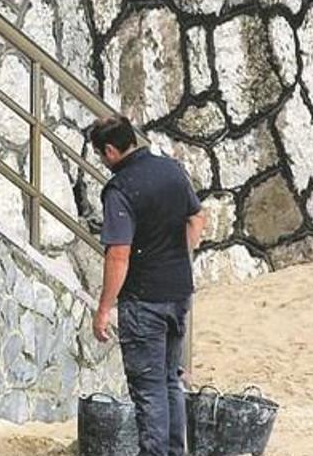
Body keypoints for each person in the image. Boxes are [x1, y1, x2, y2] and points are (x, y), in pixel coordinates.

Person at [86, 116, 207, 456]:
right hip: (178, 292)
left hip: (144, 301)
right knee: (171, 381)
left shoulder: (120, 189)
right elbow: (197, 218)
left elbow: (119, 255)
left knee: (149, 389)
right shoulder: (171, 170)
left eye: (100, 154)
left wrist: (104, 309)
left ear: (110, 150)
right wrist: (178, 255)